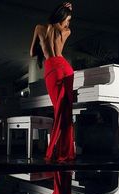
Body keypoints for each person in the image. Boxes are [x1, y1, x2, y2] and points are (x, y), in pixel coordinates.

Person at [30, 2, 75, 162]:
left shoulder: (39, 28)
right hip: (66, 68)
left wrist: (43, 48)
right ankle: (64, 152)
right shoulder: (66, 31)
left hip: (52, 69)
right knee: (66, 112)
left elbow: (31, 53)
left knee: (59, 111)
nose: (67, 23)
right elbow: (59, 47)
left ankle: (54, 151)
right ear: (62, 17)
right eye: (67, 19)